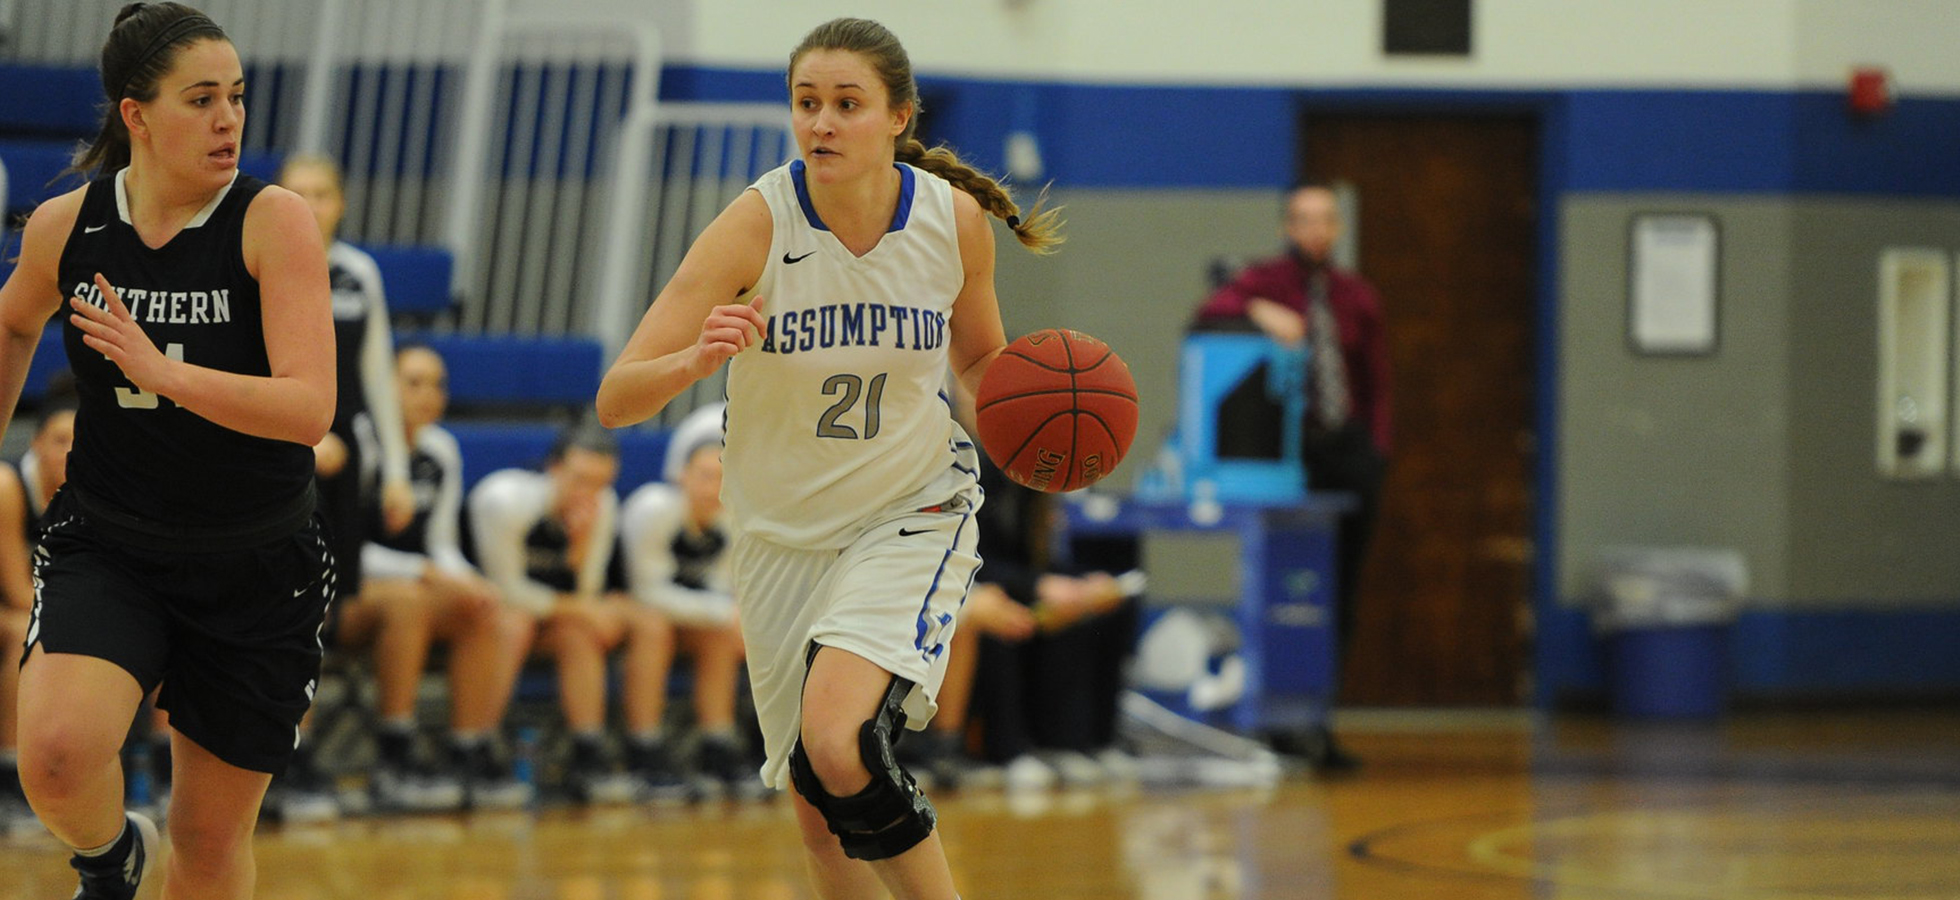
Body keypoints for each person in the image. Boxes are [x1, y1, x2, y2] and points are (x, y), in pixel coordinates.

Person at [595, 16, 1061, 900]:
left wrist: (1033, 425)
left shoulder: (953, 222)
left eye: (847, 104)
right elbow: (616, 399)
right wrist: (697, 359)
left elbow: (975, 365)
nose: (822, 124)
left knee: (841, 742)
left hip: (911, 508)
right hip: (780, 535)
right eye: (807, 103)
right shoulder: (755, 224)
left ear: (898, 116)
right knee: (816, 804)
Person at [0, 4, 337, 898]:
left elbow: (310, 410)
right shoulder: (66, 227)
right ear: (135, 115)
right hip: (112, 541)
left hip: (256, 561)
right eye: (200, 100)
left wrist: (163, 370)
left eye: (235, 97)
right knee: (59, 760)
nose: (228, 119)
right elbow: (11, 326)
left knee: (209, 839)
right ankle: (113, 864)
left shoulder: (275, 221)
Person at [1193, 180, 1392, 771]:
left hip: (1349, 452)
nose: (1315, 230)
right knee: (1291, 589)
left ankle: (1319, 719)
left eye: (1325, 219)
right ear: (1287, 227)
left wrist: (1377, 451)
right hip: (1291, 452)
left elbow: (1377, 383)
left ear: (1338, 228)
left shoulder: (1358, 295)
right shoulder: (1268, 281)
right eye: (1304, 219)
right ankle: (1281, 722)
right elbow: (1213, 306)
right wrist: (1259, 309)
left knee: (1340, 593)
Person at [342, 343, 535, 810]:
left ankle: (468, 751)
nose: (429, 394)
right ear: (384, 386)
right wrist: (425, 571)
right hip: (346, 591)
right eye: (413, 382)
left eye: (438, 384)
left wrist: (469, 580)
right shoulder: (358, 441)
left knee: (488, 610)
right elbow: (341, 547)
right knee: (409, 600)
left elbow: (442, 544)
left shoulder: (441, 449)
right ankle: (394, 754)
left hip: (413, 589)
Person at [466, 426, 683, 803]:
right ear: (553, 468)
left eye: (601, 483)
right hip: (484, 619)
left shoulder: (604, 505)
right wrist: (582, 607)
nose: (590, 493)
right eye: (580, 479)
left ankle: (590, 752)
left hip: (548, 621)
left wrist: (580, 550)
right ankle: (474, 748)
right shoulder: (504, 500)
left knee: (580, 633)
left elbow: (587, 593)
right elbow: (508, 591)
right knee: (513, 624)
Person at [618, 401, 760, 798]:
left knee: (719, 635)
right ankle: (642, 746)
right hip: (627, 605)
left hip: (682, 612)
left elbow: (719, 587)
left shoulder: (731, 516)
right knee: (655, 627)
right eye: (704, 476)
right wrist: (723, 613)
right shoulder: (654, 507)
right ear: (680, 475)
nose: (712, 488)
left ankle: (717, 743)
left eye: (722, 477)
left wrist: (727, 615)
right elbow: (646, 590)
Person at [0, 394, 77, 832]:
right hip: (12, 611)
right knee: (22, 631)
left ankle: (158, 766)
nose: (69, 451)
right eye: (59, 440)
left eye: (78, 441)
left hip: (47, 612)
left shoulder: (91, 492)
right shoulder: (8, 486)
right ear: (34, 445)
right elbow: (16, 594)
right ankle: (12, 777)